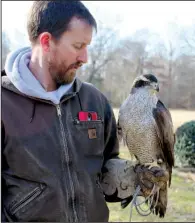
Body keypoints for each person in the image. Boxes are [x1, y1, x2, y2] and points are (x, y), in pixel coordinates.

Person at [1, 1, 165, 222]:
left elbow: (103, 169)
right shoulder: (5, 104)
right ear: (47, 41)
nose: (85, 58)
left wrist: (133, 177)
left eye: (87, 46)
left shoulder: (94, 101)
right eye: (78, 46)